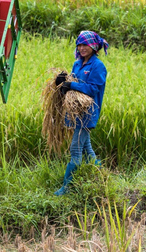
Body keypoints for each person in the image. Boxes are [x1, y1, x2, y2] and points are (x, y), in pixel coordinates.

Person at [54, 31, 108, 196]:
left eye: (86, 45)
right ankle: (102, 178)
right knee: (86, 148)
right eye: (80, 44)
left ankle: (67, 187)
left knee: (76, 149)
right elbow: (72, 84)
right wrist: (62, 82)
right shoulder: (77, 64)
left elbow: (92, 89)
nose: (82, 48)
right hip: (75, 112)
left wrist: (71, 85)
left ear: (93, 46)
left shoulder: (98, 66)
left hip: (88, 114)